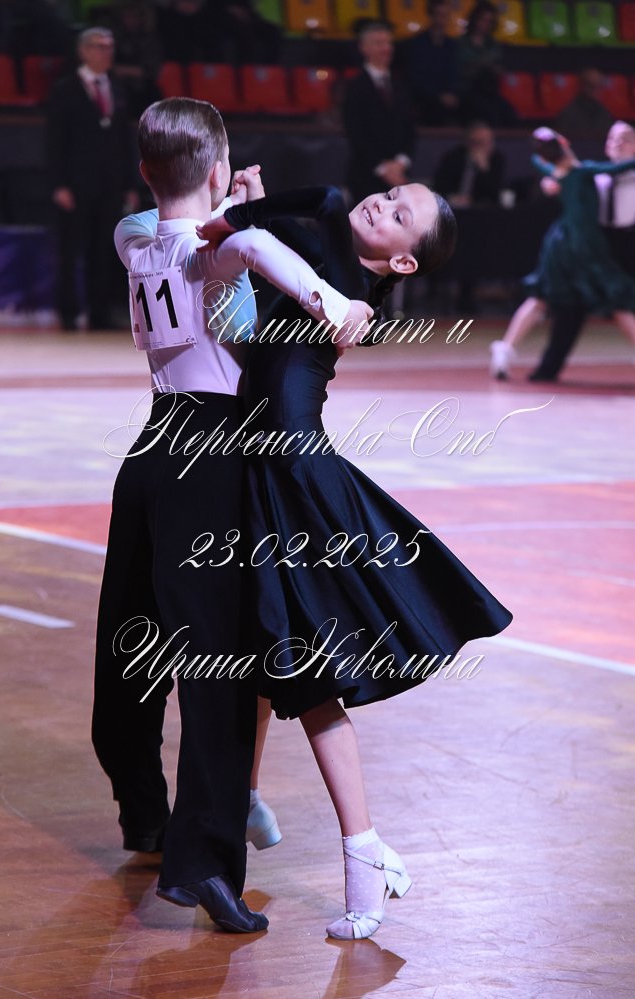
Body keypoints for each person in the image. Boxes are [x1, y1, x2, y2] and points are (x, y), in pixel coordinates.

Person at [197, 179, 513, 939]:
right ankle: (249, 801)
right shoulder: (328, 267)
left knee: (305, 673)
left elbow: (325, 199)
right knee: (268, 652)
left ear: (403, 263)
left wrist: (237, 214)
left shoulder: (345, 282)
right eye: (390, 192)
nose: (380, 203)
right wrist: (250, 204)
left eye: (399, 214)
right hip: (266, 474)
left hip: (298, 483)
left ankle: (361, 851)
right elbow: (284, 249)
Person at [92, 96, 372, 934]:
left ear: (145, 171)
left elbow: (174, 220)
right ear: (217, 169)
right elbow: (246, 246)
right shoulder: (219, 251)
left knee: (129, 641)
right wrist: (331, 299)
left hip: (151, 448)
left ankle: (144, 812)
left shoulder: (133, 238)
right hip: (211, 458)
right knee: (217, 669)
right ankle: (204, 865)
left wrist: (223, 199)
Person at [489, 126, 635, 380]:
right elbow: (614, 169)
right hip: (586, 246)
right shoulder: (588, 171)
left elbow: (538, 160)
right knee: (604, 302)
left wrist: (553, 166)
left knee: (546, 297)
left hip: (577, 243)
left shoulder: (568, 171)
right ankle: (529, 360)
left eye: (625, 139)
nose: (617, 143)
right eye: (612, 138)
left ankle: (505, 349)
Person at [48, 27, 139, 331]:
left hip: (110, 184)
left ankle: (100, 313)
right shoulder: (65, 89)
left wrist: (129, 184)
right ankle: (68, 312)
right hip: (76, 185)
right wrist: (59, 184)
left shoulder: (117, 88)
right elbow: (55, 141)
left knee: (103, 250)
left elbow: (124, 141)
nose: (106, 52)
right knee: (71, 250)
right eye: (99, 46)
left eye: (109, 46)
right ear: (83, 51)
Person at [342, 20, 417, 206]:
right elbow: (355, 132)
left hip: (399, 177)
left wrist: (400, 163)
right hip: (365, 178)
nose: (386, 48)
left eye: (388, 43)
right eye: (379, 43)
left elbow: (410, 128)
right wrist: (383, 168)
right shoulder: (355, 86)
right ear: (364, 48)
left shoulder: (401, 85)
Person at [433, 121, 504, 312]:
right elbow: (439, 187)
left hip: (481, 217)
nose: (483, 147)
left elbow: (496, 194)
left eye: (487, 142)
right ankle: (437, 293)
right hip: (452, 215)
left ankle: (467, 295)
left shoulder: (496, 159)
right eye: (478, 142)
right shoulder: (453, 158)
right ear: (468, 142)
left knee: (476, 242)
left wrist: (484, 168)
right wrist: (453, 198)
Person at [400, 0, 460, 126]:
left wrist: (451, 94)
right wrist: (439, 96)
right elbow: (416, 79)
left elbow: (454, 74)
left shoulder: (451, 45)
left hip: (447, 97)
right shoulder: (417, 44)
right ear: (431, 16)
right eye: (439, 15)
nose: (443, 20)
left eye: (446, 16)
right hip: (425, 97)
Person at [555, 67, 613, 141]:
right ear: (582, 86)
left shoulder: (605, 114)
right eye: (591, 86)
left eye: (599, 87)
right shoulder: (567, 114)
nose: (595, 91)